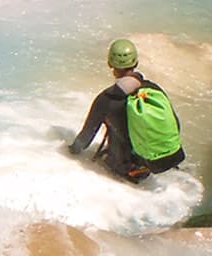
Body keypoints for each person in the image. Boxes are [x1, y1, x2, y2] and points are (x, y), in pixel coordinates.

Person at [68, 38, 185, 183]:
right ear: (135, 63)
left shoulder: (105, 100)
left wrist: (65, 152)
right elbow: (175, 124)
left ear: (110, 64)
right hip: (156, 165)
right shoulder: (153, 90)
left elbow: (83, 141)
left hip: (125, 171)